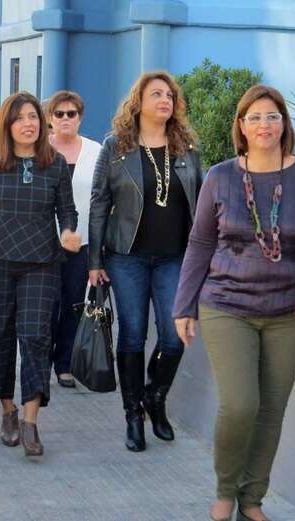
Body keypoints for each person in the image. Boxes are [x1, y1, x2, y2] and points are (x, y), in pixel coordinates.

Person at [172, 85, 295, 521]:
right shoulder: (221, 177)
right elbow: (201, 242)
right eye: (255, 117)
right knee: (241, 404)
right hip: (227, 304)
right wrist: (184, 306)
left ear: (285, 124)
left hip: (291, 311)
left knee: (271, 409)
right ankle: (225, 490)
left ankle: (252, 499)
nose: (264, 125)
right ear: (240, 127)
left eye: (272, 116)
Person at [88, 71, 203, 453]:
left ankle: (155, 395)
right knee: (133, 335)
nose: (165, 100)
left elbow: (201, 207)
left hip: (175, 258)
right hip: (126, 257)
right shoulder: (115, 146)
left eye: (169, 95)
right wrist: (94, 259)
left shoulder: (186, 148)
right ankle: (133, 415)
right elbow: (100, 203)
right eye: (156, 94)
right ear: (138, 102)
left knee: (173, 336)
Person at [0, 91, 79, 457]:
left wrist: (69, 233)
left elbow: (68, 211)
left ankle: (31, 421)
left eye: (32, 117)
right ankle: (8, 411)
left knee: (35, 336)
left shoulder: (55, 163)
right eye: (19, 118)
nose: (27, 123)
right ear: (8, 125)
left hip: (41, 263)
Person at [45, 90, 102, 388]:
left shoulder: (96, 151)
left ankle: (64, 363)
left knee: (72, 304)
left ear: (80, 118)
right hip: (42, 243)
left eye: (72, 114)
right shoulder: (40, 149)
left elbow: (103, 201)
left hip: (80, 243)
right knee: (45, 305)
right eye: (59, 114)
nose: (66, 119)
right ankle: (41, 360)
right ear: (50, 118)